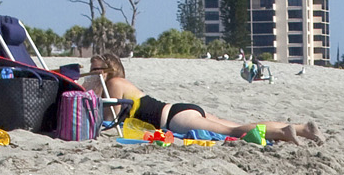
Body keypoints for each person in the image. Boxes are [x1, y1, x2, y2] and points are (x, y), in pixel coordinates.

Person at [82, 54, 319, 145]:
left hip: (173, 119)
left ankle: (283, 133)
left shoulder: (113, 85)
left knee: (233, 130)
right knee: (233, 124)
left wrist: (89, 90)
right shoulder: (121, 84)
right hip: (178, 111)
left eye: (94, 69)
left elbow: (108, 120)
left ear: (106, 71)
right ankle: (302, 129)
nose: (91, 73)